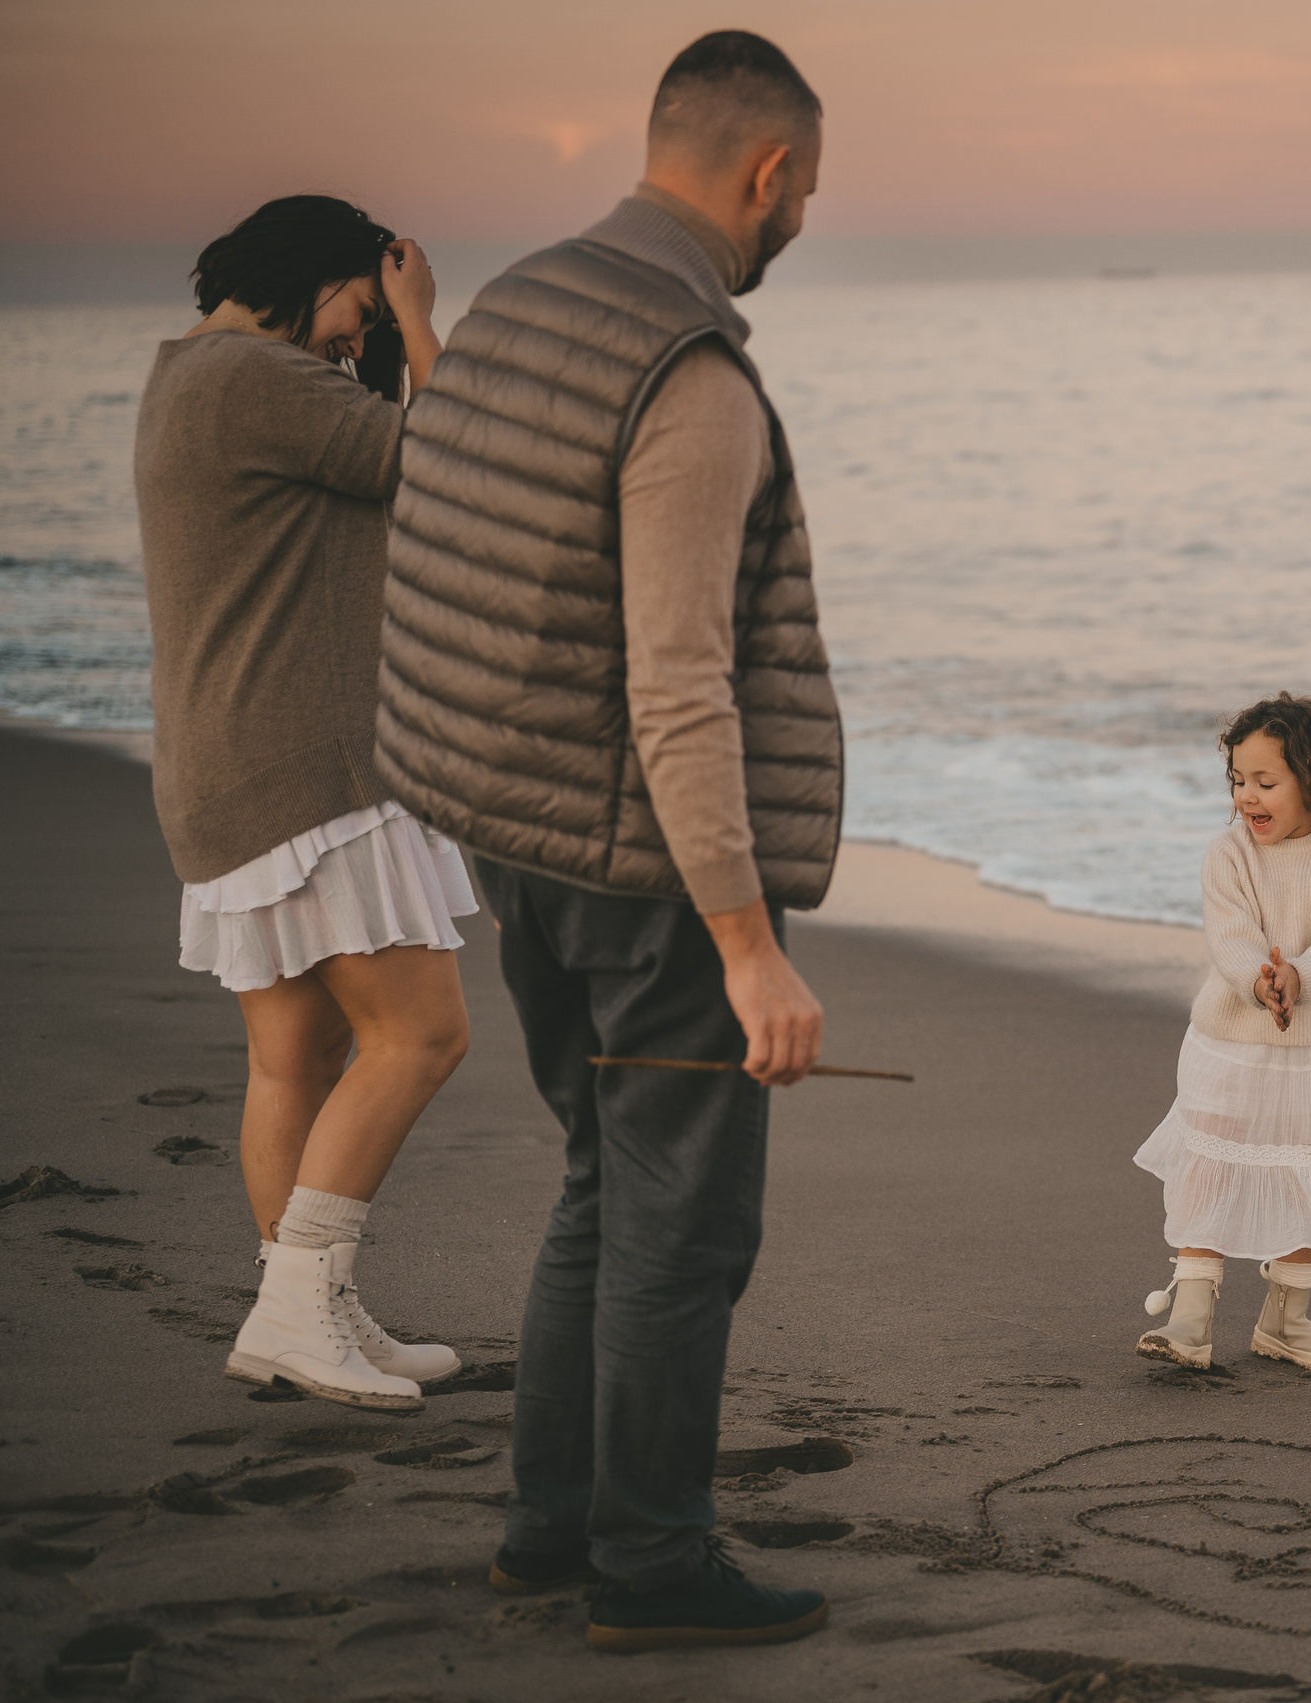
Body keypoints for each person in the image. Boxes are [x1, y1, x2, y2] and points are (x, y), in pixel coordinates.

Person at [373, 30, 839, 1654]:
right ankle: (649, 1564)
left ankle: (550, 1528)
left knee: (602, 1178)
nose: (802, 222)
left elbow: (458, 539)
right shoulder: (688, 374)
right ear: (767, 173)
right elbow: (679, 682)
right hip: (645, 875)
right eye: (806, 193)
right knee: (682, 1224)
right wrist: (747, 944)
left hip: (513, 838)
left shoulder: (521, 305)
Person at [133, 194, 472, 1416]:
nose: (357, 339)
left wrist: (378, 339)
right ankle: (294, 1306)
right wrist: (423, 326)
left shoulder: (189, 377)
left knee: (296, 1057)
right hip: (307, 767)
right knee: (420, 1035)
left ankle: (307, 1306)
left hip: (223, 762)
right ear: (310, 272)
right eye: (357, 309)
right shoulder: (259, 377)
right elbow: (454, 468)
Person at [1135, 694, 1311, 1374]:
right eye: (1238, 780)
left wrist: (1300, 976)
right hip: (1229, 1045)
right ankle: (1191, 1313)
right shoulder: (1229, 855)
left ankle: (1287, 1318)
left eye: (1265, 781)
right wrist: (1261, 980)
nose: (1246, 796)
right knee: (1210, 1164)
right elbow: (1230, 936)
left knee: (1308, 1174)